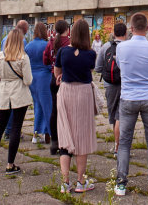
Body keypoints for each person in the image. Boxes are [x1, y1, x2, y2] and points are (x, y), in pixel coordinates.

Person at [113, 13, 148, 196]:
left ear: (131, 29)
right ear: (147, 28)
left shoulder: (122, 48)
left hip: (128, 98)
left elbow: (119, 66)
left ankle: (121, 184)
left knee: (125, 143)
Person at [54, 19, 98, 194]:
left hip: (66, 92)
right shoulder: (91, 54)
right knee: (82, 136)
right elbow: (90, 72)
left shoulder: (63, 51)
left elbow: (57, 72)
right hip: (83, 94)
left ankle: (65, 182)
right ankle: (81, 181)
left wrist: (62, 76)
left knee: (65, 132)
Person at [0, 28, 33, 172]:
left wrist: (3, 76)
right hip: (19, 94)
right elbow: (28, 80)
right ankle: (10, 164)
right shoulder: (23, 57)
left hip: (3, 93)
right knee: (16, 128)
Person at [95, 23, 127, 156]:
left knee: (114, 116)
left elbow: (97, 68)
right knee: (122, 116)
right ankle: (121, 147)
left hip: (110, 85)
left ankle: (116, 145)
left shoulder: (106, 47)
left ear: (113, 33)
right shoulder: (128, 47)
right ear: (126, 33)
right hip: (126, 84)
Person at [43, 19, 70, 155]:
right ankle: (66, 141)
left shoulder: (51, 43)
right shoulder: (69, 43)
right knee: (67, 112)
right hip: (67, 80)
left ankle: (55, 142)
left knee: (55, 111)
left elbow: (45, 59)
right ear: (67, 29)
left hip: (54, 79)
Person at [25, 23, 52, 145]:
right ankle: (50, 132)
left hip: (32, 78)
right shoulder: (46, 45)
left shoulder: (29, 46)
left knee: (37, 105)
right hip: (44, 77)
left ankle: (36, 133)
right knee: (47, 106)